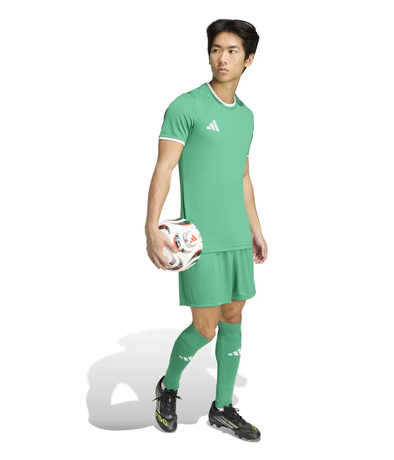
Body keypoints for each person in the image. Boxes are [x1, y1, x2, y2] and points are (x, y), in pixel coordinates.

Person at [144, 19, 267, 442]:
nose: (222, 58)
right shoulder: (186, 106)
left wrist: (256, 229)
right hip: (198, 240)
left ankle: (223, 407)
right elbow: (164, 168)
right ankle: (169, 386)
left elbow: (243, 177)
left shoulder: (246, 117)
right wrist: (150, 227)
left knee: (233, 317)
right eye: (216, 49)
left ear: (248, 59)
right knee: (205, 326)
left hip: (237, 237)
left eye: (232, 51)